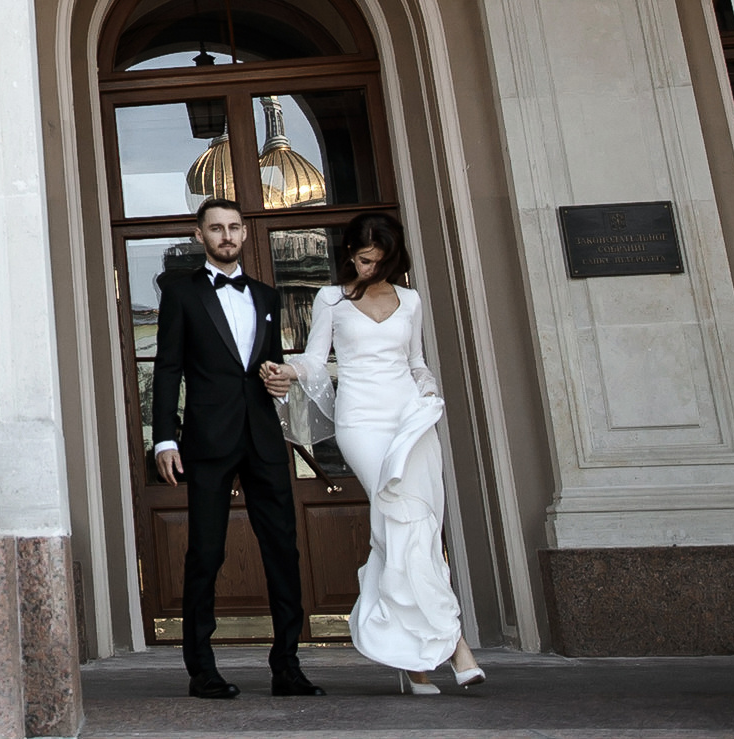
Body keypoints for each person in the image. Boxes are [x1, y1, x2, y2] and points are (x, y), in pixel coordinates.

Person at [267, 212, 486, 694]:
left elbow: (416, 363)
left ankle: (414, 662)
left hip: (411, 419)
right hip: (361, 423)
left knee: (419, 528)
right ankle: (454, 644)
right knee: (404, 519)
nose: (371, 270)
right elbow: (313, 359)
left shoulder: (410, 300)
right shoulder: (331, 299)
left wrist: (428, 394)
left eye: (382, 262)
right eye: (365, 260)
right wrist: (286, 372)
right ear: (349, 253)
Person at [150, 197, 324, 700]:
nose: (226, 236)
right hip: (207, 440)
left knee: (283, 551)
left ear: (245, 234)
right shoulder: (181, 295)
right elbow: (167, 369)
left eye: (233, 228)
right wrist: (165, 436)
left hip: (264, 439)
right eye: (216, 228)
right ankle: (202, 669)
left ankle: (287, 666)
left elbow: (271, 369)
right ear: (199, 235)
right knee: (206, 551)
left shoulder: (267, 297)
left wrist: (278, 382)